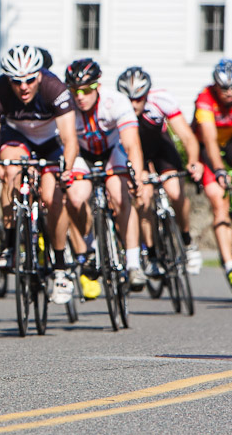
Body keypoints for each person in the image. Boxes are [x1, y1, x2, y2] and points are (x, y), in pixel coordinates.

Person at [0, 45, 78, 305]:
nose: (23, 87)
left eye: (30, 80)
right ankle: (10, 244)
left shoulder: (54, 88)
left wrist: (66, 169)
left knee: (53, 197)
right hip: (18, 137)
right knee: (11, 170)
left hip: (50, 141)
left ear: (40, 75)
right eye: (16, 81)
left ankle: (59, 267)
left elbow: (70, 139)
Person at [63, 59, 146, 296]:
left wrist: (137, 177)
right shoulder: (65, 106)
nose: (80, 96)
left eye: (86, 90)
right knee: (76, 198)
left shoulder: (115, 102)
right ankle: (89, 246)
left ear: (97, 86)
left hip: (112, 152)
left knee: (120, 197)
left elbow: (131, 144)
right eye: (75, 91)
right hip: (81, 154)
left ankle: (133, 264)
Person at [116, 67, 204, 276]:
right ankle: (152, 254)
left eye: (139, 99)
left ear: (147, 95)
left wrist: (193, 161)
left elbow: (186, 136)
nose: (134, 105)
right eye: (129, 99)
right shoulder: (116, 108)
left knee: (175, 192)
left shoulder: (161, 100)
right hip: (136, 154)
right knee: (143, 198)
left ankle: (187, 242)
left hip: (160, 148)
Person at [191, 59, 232, 288]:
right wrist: (219, 170)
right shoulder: (205, 99)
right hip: (206, 148)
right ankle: (230, 266)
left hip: (230, 140)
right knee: (219, 201)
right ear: (216, 86)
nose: (229, 93)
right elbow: (209, 139)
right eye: (224, 88)